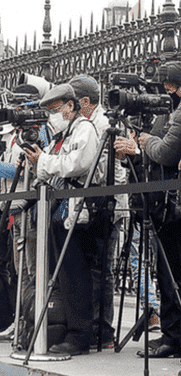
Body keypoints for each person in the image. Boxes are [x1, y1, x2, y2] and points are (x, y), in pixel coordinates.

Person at [25, 83, 105, 355]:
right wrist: (42, 163)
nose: (53, 115)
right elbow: (51, 168)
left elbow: (78, 163)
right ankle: (66, 328)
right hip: (59, 212)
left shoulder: (85, 129)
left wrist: (44, 161)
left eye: (56, 110)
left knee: (76, 276)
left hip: (77, 214)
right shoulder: (62, 134)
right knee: (63, 277)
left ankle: (80, 335)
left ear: (71, 106)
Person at [115, 61, 181, 358]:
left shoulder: (177, 113)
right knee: (164, 272)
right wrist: (138, 149)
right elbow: (155, 155)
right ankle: (171, 333)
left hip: (172, 204)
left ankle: (174, 336)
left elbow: (166, 152)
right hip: (160, 203)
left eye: (169, 85)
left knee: (172, 273)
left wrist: (145, 144)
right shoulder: (164, 116)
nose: (166, 91)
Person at [68, 74, 117, 348]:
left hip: (103, 204)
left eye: (74, 102)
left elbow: (107, 170)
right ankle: (91, 326)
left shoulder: (102, 124)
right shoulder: (85, 123)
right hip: (89, 204)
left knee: (101, 270)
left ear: (85, 101)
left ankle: (103, 331)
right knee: (89, 268)